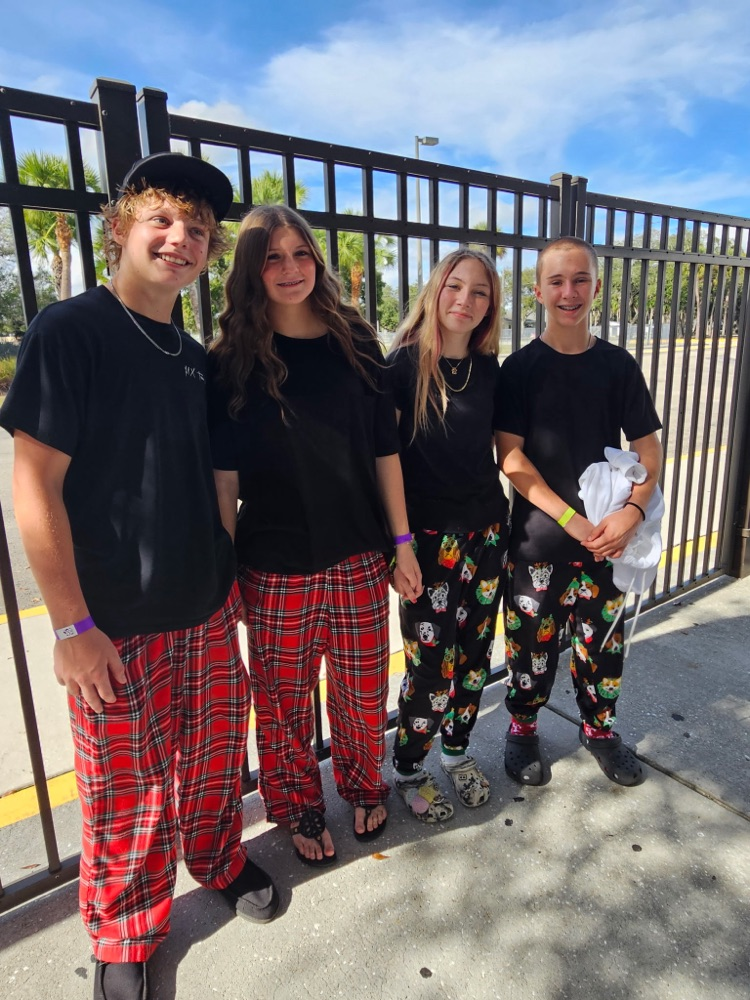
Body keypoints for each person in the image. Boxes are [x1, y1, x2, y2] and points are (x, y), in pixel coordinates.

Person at [0, 153, 279, 1000]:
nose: (181, 237)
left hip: (200, 609)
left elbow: (199, 479)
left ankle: (218, 858)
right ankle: (124, 931)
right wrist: (71, 627)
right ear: (120, 227)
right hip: (112, 626)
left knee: (210, 765)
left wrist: (224, 577)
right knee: (125, 793)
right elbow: (34, 485)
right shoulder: (69, 329)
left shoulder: (191, 354)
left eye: (197, 228)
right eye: (162, 218)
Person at [209, 204, 422, 866]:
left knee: (362, 694)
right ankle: (297, 804)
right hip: (273, 567)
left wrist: (403, 542)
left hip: (359, 556)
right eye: (272, 257)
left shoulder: (356, 342)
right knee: (283, 708)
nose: (291, 268)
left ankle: (364, 784)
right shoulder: (231, 363)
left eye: (301, 254)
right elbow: (223, 479)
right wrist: (224, 570)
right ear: (252, 270)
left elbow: (385, 450)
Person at [496, 236, 663, 787]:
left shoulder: (617, 365)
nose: (569, 292)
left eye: (580, 279)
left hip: (608, 541)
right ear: (539, 290)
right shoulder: (519, 369)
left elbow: (649, 447)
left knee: (603, 647)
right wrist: (571, 520)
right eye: (557, 281)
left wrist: (633, 512)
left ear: (595, 284)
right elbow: (511, 457)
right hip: (540, 543)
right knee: (530, 649)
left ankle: (600, 731)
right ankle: (522, 730)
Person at [385, 248, 510, 822]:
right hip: (430, 544)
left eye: (479, 292)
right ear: (435, 291)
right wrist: (400, 545)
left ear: (491, 306)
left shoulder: (490, 369)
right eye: (454, 287)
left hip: (488, 533)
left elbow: (506, 453)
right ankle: (410, 765)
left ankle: (457, 751)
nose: (465, 300)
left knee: (476, 655)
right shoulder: (402, 367)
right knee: (430, 664)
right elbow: (380, 463)